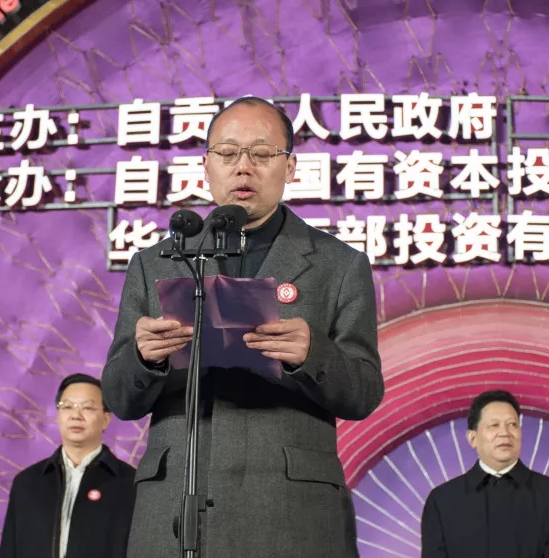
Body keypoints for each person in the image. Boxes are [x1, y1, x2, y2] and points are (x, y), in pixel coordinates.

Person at [101, 95, 384, 558]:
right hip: (174, 508)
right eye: (228, 153)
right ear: (206, 165)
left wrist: (313, 355)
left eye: (262, 153)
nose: (243, 167)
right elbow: (119, 397)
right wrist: (143, 358)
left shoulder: (339, 265)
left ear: (290, 167)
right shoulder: (156, 263)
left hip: (289, 511)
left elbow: (364, 393)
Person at [421, 389, 549, 558]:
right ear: (472, 438)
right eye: (494, 425)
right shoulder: (442, 500)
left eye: (512, 424)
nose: (505, 433)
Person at [0, 373, 136, 558]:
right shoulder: (27, 483)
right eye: (67, 406)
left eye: (88, 407)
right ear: (58, 415)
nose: (76, 415)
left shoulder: (130, 484)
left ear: (106, 419)